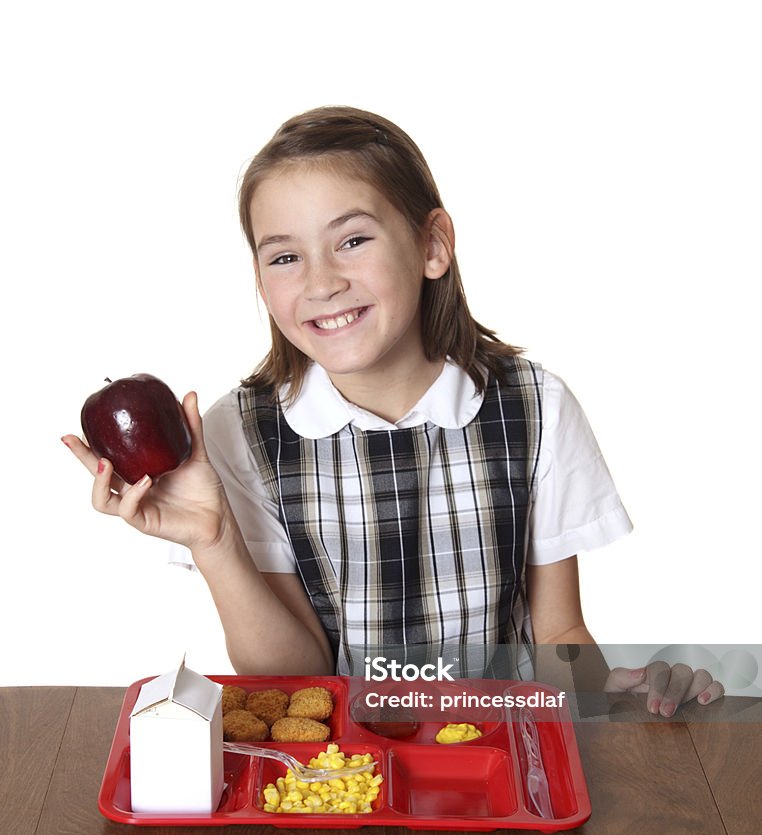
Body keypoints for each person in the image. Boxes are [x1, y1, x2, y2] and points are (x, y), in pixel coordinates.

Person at [63, 105, 724, 716]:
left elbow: (557, 635)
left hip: (497, 760)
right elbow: (295, 676)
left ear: (432, 244)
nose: (322, 282)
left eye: (352, 241)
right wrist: (213, 542)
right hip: (339, 779)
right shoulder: (241, 433)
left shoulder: (534, 406)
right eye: (286, 257)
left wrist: (626, 702)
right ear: (261, 282)